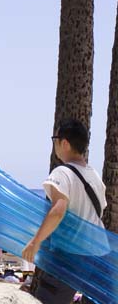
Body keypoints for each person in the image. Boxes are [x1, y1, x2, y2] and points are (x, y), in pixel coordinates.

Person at [22, 118, 106, 304]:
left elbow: (58, 210)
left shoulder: (62, 173)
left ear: (65, 143)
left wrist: (35, 241)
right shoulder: (94, 176)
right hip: (99, 255)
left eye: (55, 139)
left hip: (71, 254)